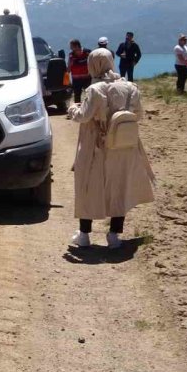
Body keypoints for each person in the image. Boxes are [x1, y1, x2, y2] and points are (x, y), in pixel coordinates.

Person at [66, 48, 154, 249]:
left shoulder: (94, 90)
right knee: (119, 186)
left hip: (96, 146)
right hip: (124, 146)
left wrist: (72, 108)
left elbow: (84, 117)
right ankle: (114, 235)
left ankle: (84, 235)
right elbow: (138, 115)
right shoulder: (130, 87)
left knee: (88, 186)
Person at [67, 39, 91, 104]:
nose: (70, 48)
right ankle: (77, 110)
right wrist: (67, 80)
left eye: (71, 46)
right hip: (76, 79)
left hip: (87, 78)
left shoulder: (87, 52)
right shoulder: (71, 55)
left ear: (77, 46)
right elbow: (68, 68)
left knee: (90, 94)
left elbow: (93, 63)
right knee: (77, 95)